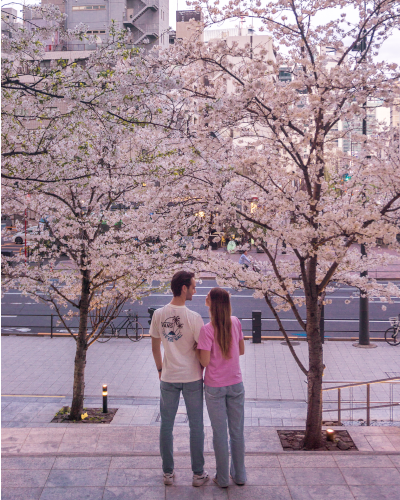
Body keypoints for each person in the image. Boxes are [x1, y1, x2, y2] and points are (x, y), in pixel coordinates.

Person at [150, 270, 209, 487]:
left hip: (168, 377)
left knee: (166, 425)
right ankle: (198, 474)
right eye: (193, 286)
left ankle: (168, 473)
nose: (195, 290)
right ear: (184, 288)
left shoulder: (158, 314)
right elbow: (202, 350)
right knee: (196, 425)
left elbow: (155, 346)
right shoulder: (194, 319)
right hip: (193, 377)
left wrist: (160, 369)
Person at [197, 288, 246, 488]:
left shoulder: (207, 329)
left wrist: (198, 350)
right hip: (236, 384)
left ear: (213, 303)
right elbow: (241, 351)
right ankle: (240, 476)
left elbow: (205, 361)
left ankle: (223, 478)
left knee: (219, 433)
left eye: (207, 296)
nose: (204, 297)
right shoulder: (235, 322)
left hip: (215, 388)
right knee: (237, 432)